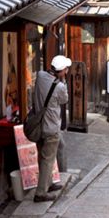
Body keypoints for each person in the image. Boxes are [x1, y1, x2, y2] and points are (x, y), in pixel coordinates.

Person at [32, 55, 71, 202]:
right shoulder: (60, 86)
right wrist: (63, 81)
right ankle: (41, 192)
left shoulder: (40, 76)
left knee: (43, 157)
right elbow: (64, 99)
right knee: (48, 159)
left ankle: (47, 183)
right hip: (51, 126)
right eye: (66, 69)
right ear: (61, 70)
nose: (67, 71)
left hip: (38, 125)